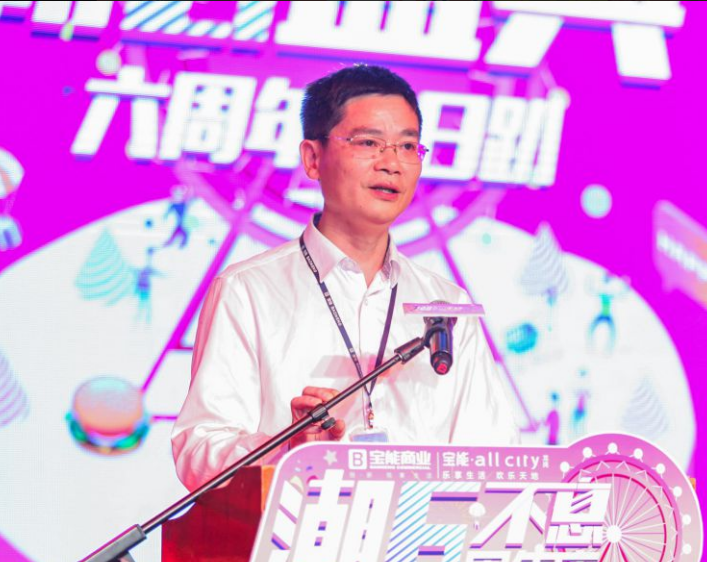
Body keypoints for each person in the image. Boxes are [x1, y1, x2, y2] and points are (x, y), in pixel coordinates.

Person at [171, 65, 518, 491]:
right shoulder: (249, 290)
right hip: (294, 528)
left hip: (421, 531)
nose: (392, 164)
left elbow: (493, 457)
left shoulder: (447, 306)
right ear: (312, 158)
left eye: (408, 146)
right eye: (368, 143)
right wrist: (288, 451)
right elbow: (198, 451)